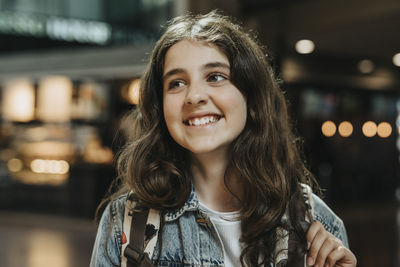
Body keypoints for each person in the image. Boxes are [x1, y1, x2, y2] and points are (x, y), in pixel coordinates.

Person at [90, 11, 357, 267]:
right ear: (160, 108)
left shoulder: (314, 222)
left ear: (251, 97)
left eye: (215, 77)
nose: (194, 96)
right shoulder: (124, 223)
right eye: (176, 83)